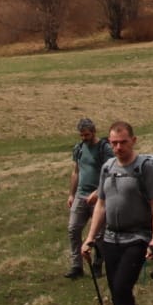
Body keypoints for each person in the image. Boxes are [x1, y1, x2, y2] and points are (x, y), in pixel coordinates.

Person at [80, 121, 153, 305]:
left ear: (133, 141)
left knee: (120, 289)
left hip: (137, 237)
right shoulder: (107, 167)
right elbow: (102, 205)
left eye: (123, 142)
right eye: (114, 143)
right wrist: (90, 238)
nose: (118, 147)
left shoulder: (144, 168)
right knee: (118, 294)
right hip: (110, 239)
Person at [65, 117, 112, 279]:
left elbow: (110, 172)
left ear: (94, 132)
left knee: (99, 235)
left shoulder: (104, 149)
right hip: (80, 194)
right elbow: (76, 172)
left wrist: (99, 191)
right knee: (73, 229)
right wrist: (71, 194)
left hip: (100, 197)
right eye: (82, 135)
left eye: (87, 135)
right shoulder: (78, 149)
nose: (84, 138)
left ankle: (98, 262)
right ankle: (76, 266)